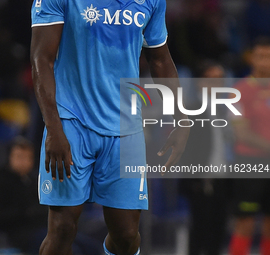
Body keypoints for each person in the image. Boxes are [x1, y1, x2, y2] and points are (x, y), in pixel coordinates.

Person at [30, 0, 190, 254]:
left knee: (126, 236)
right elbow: (41, 60)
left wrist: (182, 119)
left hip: (125, 128)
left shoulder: (152, 1)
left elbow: (160, 58)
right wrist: (54, 129)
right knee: (62, 228)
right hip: (71, 123)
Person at [0, 137, 101, 255]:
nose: (24, 161)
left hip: (46, 228)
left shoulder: (36, 179)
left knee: (90, 247)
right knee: (71, 251)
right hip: (18, 233)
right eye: (19, 157)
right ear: (9, 157)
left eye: (28, 157)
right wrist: (26, 213)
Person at [179, 61, 230, 255]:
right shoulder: (189, 109)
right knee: (200, 231)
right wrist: (193, 179)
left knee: (219, 232)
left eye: (220, 79)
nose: (217, 84)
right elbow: (185, 148)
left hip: (224, 179)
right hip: (201, 180)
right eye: (212, 79)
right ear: (200, 82)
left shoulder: (228, 109)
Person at [229, 37, 270, 255]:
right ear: (251, 58)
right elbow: (241, 133)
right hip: (250, 163)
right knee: (245, 222)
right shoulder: (239, 90)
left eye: (269, 57)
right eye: (260, 56)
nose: (265, 61)